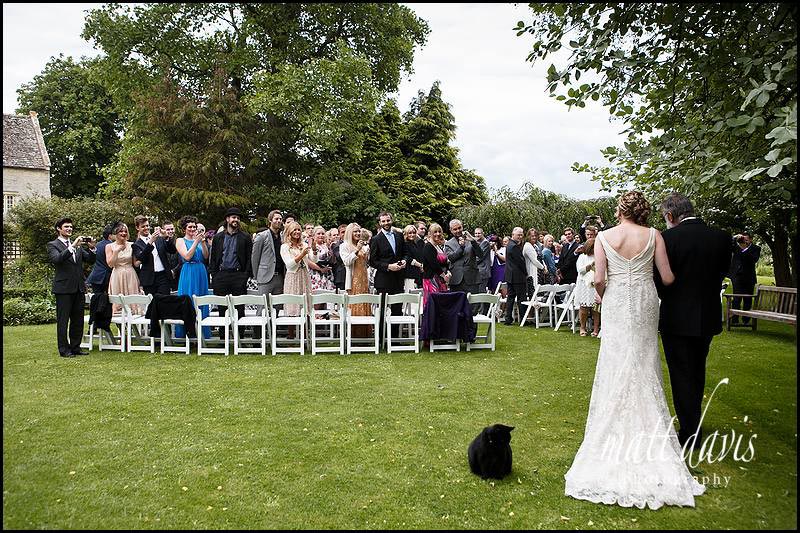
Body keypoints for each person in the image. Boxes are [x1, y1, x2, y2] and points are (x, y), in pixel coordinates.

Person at [565, 190, 705, 510]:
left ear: (620, 210)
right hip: (644, 301)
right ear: (643, 210)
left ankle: (610, 438)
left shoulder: (603, 237)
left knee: (616, 360)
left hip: (615, 302)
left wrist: (603, 294)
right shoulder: (655, 234)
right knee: (644, 361)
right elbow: (667, 278)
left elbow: (599, 279)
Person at [657, 192, 732, 450]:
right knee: (697, 370)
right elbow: (722, 272)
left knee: (681, 373)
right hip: (707, 315)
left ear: (670, 215)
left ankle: (690, 431)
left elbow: (660, 280)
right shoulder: (721, 237)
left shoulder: (666, 239)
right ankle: (693, 422)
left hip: (676, 317)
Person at [48, 217, 96, 357]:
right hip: (63, 289)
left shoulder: (78, 246)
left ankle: (76, 347)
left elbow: (90, 260)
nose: (69, 229)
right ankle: (64, 349)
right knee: (63, 321)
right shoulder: (53, 245)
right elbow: (57, 259)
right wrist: (72, 246)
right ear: (59, 229)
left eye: (70, 227)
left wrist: (92, 248)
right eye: (66, 227)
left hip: (78, 288)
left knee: (78, 320)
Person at [208, 207, 253, 337]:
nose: (236, 220)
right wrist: (214, 275)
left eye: (238, 218)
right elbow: (214, 257)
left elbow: (249, 257)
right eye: (233, 217)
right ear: (227, 219)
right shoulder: (218, 237)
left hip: (239, 275)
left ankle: (240, 336)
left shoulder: (245, 237)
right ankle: (223, 337)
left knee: (239, 308)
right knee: (222, 308)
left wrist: (245, 275)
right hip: (221, 276)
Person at [369, 211, 406, 345]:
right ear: (379, 223)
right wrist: (388, 266)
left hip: (398, 278)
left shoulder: (399, 236)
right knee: (383, 310)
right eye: (383, 221)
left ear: (392, 220)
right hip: (383, 279)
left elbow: (405, 253)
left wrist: (404, 262)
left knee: (397, 309)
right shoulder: (375, 239)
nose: (386, 223)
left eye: (388, 220)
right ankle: (381, 339)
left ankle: (394, 340)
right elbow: (372, 261)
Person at [174, 216, 210, 339]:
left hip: (201, 271)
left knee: (201, 300)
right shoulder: (180, 240)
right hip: (188, 271)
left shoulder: (199, 240)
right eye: (190, 227)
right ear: (184, 228)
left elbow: (205, 256)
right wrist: (195, 242)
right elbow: (187, 256)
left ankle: (202, 333)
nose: (193, 229)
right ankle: (187, 332)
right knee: (188, 300)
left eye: (194, 227)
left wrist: (203, 242)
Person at [340, 223, 372, 337]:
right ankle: (354, 335)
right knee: (355, 304)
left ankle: (365, 335)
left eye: (359, 231)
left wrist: (366, 253)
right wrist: (357, 250)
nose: (358, 233)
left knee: (364, 302)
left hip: (363, 279)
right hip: (353, 279)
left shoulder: (362, 245)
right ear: (350, 233)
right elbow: (347, 262)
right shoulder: (344, 246)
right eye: (355, 231)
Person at [132, 215, 177, 296]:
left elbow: (172, 251)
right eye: (143, 226)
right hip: (149, 279)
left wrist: (166, 237)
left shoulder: (159, 238)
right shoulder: (136, 244)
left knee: (165, 301)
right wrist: (150, 242)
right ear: (137, 228)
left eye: (147, 225)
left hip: (163, 276)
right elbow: (142, 258)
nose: (146, 228)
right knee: (152, 305)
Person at [251, 210, 286, 306]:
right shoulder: (261, 236)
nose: (278, 221)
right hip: (265, 277)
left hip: (280, 277)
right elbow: (255, 258)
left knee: (277, 307)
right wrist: (256, 276)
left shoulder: (283, 237)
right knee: (263, 307)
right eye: (276, 219)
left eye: (280, 219)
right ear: (270, 220)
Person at [106, 222, 142, 315]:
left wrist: (145, 257)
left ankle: (134, 323)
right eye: (121, 231)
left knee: (133, 300)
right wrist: (116, 251)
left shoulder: (132, 245)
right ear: (116, 233)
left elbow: (136, 263)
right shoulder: (109, 246)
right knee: (117, 301)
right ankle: (120, 327)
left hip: (130, 274)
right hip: (117, 274)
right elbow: (110, 264)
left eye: (125, 231)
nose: (123, 233)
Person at [280, 221, 312, 322]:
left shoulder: (304, 244)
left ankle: (306, 331)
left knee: (306, 302)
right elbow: (289, 264)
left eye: (299, 230)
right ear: (289, 232)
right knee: (292, 302)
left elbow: (313, 260)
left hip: (304, 275)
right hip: (293, 277)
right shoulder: (285, 247)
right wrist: (301, 254)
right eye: (295, 230)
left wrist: (314, 251)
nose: (297, 232)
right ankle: (291, 332)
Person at [445, 219, 484, 298]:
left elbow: (481, 255)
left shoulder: (470, 239)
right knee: (456, 306)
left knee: (472, 306)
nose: (458, 230)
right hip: (456, 280)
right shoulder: (448, 243)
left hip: (472, 279)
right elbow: (451, 258)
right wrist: (461, 247)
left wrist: (473, 241)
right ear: (451, 230)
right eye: (455, 229)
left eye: (459, 228)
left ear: (462, 227)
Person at [728, 231, 761, 326]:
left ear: (751, 239)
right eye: (743, 239)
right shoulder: (736, 247)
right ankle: (734, 319)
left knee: (748, 299)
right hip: (737, 277)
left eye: (746, 239)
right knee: (737, 298)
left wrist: (745, 249)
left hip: (749, 277)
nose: (744, 241)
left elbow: (753, 260)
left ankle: (746, 320)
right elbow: (728, 244)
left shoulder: (756, 248)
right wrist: (735, 237)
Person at [574, 237, 600, 337]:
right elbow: (580, 271)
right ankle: (582, 327)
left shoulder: (599, 256)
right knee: (584, 307)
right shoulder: (582, 257)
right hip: (584, 284)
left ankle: (596, 328)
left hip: (595, 284)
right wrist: (590, 266)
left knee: (595, 308)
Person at [421, 223, 451, 308]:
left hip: (442, 279)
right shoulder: (428, 247)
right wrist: (444, 276)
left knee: (442, 303)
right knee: (433, 304)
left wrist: (448, 272)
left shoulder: (438, 247)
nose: (437, 234)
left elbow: (445, 262)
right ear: (430, 233)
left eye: (439, 232)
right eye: (435, 232)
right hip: (432, 279)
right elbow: (434, 264)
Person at [503, 227, 526, 326]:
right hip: (517, 276)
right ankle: (523, 318)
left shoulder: (509, 244)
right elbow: (520, 261)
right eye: (518, 235)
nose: (520, 237)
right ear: (513, 234)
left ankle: (508, 318)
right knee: (521, 298)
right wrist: (526, 272)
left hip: (510, 275)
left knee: (511, 297)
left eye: (521, 235)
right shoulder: (514, 246)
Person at [86, 223, 113, 294]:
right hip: (107, 277)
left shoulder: (97, 245)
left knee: (97, 299)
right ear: (110, 235)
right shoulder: (112, 246)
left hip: (96, 276)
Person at [308, 226, 336, 292]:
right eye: (318, 234)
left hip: (327, 274)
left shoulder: (326, 246)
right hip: (316, 274)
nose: (321, 235)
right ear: (314, 235)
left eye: (323, 234)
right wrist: (321, 269)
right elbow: (308, 261)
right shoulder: (311, 246)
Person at [522, 228, 545, 298]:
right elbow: (534, 260)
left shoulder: (536, 246)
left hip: (539, 273)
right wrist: (543, 268)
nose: (534, 237)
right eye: (532, 236)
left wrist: (544, 266)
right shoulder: (527, 246)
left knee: (539, 294)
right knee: (533, 294)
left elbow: (541, 258)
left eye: (535, 235)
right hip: (532, 273)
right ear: (528, 236)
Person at [402, 225, 424, 291]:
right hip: (409, 274)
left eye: (414, 233)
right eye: (410, 233)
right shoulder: (405, 244)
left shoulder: (414, 244)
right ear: (406, 233)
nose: (412, 235)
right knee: (410, 297)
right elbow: (408, 258)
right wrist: (420, 265)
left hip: (417, 274)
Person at [161, 221, 181, 291]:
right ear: (163, 230)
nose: (170, 231)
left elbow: (181, 260)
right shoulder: (160, 242)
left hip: (178, 275)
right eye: (168, 229)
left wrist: (174, 271)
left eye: (172, 229)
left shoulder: (179, 241)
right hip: (164, 276)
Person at [330, 224, 348, 291]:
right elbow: (341, 258)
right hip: (341, 276)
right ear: (339, 234)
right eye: (343, 232)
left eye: (347, 231)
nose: (345, 234)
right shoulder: (336, 245)